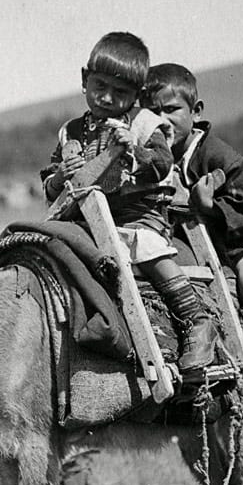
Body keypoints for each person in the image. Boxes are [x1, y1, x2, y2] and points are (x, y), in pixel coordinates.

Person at [41, 32, 217, 373]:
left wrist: (134, 151)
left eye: (120, 92)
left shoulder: (145, 123)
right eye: (99, 86)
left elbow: (162, 164)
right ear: (84, 80)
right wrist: (62, 175)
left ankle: (196, 320)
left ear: (137, 95)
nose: (106, 97)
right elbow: (49, 183)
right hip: (88, 221)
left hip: (139, 215)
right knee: (62, 251)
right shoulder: (71, 131)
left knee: (145, 247)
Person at [142, 62, 243, 361]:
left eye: (172, 110)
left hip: (236, 242)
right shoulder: (151, 155)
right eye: (152, 113)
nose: (162, 121)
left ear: (196, 111)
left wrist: (209, 207)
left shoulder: (217, 154)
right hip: (188, 243)